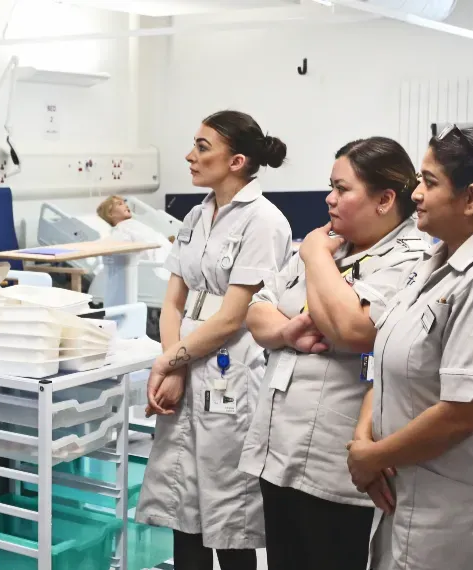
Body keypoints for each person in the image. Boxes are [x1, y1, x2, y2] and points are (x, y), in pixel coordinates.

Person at [347, 126, 473, 569]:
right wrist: (363, 442)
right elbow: (386, 365)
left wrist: (373, 458)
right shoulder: (434, 268)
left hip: (469, 514)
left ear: (471, 198)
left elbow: (463, 414)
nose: (415, 193)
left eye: (429, 182)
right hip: (415, 495)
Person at [239, 137, 427, 570]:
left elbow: (354, 329)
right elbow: (257, 312)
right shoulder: (331, 245)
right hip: (278, 449)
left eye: (342, 189)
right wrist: (287, 331)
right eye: (331, 186)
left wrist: (313, 257)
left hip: (335, 464)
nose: (330, 198)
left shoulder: (410, 258)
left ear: (384, 199)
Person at [135, 110, 293, 570]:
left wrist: (170, 363)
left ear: (237, 160)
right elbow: (172, 303)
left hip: (231, 370)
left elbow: (232, 318)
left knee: (229, 513)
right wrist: (175, 363)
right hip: (184, 363)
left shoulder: (264, 222)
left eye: (203, 146)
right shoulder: (196, 214)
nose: (190, 155)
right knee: (182, 504)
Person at [96, 195, 173, 262]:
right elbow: (113, 245)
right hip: (162, 261)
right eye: (120, 204)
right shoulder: (120, 229)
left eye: (124, 203)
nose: (126, 205)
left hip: (169, 254)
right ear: (110, 214)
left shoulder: (132, 223)